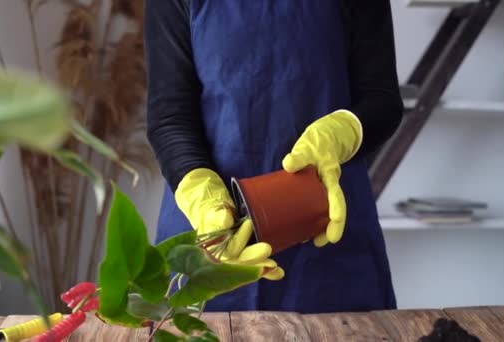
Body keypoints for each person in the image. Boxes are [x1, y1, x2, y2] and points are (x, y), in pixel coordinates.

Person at [144, 0, 404, 313]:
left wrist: (340, 132)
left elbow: (382, 100)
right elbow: (169, 117)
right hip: (211, 241)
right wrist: (201, 194)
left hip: (329, 239)